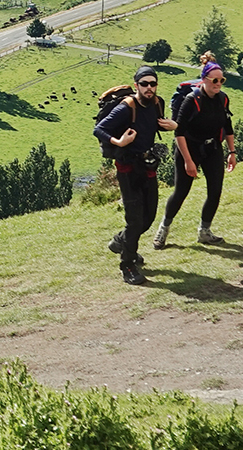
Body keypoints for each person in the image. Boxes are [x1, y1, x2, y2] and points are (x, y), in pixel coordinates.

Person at [94, 66, 178, 285]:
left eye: (153, 83)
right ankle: (128, 265)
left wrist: (174, 125)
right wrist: (119, 142)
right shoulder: (126, 107)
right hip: (128, 168)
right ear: (136, 86)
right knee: (135, 220)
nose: (149, 88)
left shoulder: (157, 103)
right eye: (144, 84)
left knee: (149, 216)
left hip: (148, 165)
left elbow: (157, 124)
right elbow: (99, 129)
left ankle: (120, 242)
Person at [158, 58, 235, 248]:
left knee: (215, 191)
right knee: (181, 192)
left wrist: (232, 151)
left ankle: (204, 232)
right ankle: (163, 229)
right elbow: (180, 132)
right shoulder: (192, 100)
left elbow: (228, 126)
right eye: (214, 80)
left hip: (213, 149)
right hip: (188, 149)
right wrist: (188, 161)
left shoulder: (223, 99)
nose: (218, 84)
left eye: (221, 80)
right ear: (204, 80)